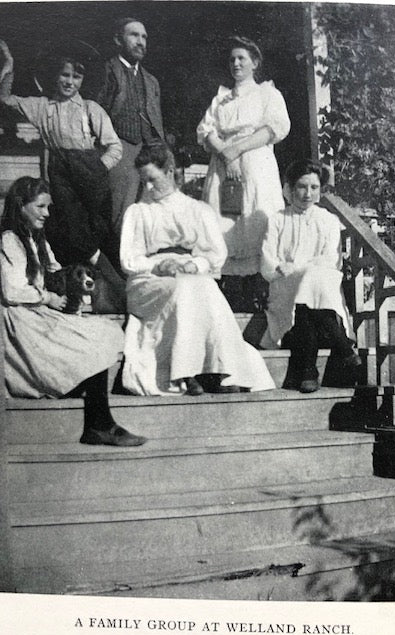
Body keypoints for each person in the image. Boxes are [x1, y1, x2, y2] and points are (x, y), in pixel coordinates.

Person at [119, 142, 275, 396]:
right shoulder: (138, 212)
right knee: (188, 288)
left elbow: (216, 253)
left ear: (170, 172)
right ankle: (187, 372)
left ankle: (217, 368)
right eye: (143, 181)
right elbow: (129, 260)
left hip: (190, 274)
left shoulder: (197, 209)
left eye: (152, 179)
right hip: (148, 281)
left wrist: (193, 264)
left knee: (202, 286)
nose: (147, 187)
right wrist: (159, 264)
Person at [1, 177, 146, 446]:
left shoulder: (37, 240)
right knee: (84, 343)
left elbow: (54, 270)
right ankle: (99, 423)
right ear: (21, 206)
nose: (46, 213)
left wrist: (68, 284)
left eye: (48, 207)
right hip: (20, 320)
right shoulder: (10, 241)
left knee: (100, 332)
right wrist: (48, 298)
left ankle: (98, 421)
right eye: (40, 207)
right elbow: (12, 291)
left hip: (38, 313)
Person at [0, 40, 125, 297]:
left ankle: (115, 293)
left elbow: (115, 148)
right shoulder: (43, 107)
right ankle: (80, 291)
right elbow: (5, 99)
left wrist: (96, 168)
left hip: (92, 180)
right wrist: (9, 66)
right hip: (61, 180)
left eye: (76, 77)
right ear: (55, 76)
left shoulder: (91, 109)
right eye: (65, 75)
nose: (70, 82)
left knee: (101, 234)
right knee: (70, 234)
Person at [260, 159, 361, 393]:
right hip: (285, 290)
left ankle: (308, 370)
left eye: (314, 188)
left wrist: (295, 266)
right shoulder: (277, 220)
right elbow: (268, 264)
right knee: (310, 285)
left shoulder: (328, 220)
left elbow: (330, 261)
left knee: (313, 279)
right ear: (290, 188)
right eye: (302, 187)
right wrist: (292, 270)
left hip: (318, 286)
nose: (307, 194)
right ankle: (343, 346)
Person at [197, 36, 290, 279]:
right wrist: (226, 154)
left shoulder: (266, 93)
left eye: (242, 58)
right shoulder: (221, 99)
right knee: (224, 220)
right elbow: (206, 131)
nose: (236, 63)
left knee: (256, 213)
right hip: (222, 166)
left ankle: (259, 284)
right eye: (232, 59)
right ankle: (228, 285)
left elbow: (274, 128)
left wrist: (237, 150)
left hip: (256, 163)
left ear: (255, 63)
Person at [97, 17, 164, 235]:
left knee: (149, 211)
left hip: (148, 150)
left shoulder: (151, 80)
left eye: (144, 37)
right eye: (134, 35)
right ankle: (118, 265)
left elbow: (156, 120)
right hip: (119, 148)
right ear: (118, 39)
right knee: (121, 213)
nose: (141, 41)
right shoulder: (106, 70)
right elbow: (95, 112)